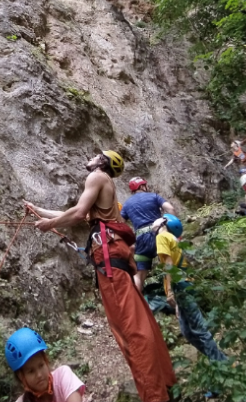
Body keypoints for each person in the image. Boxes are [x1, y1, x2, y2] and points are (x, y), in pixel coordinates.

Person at [26, 151, 176, 402]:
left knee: (131, 332)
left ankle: (155, 397)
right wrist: (39, 212)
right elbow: (77, 213)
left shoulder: (97, 176)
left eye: (97, 156)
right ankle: (164, 383)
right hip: (116, 261)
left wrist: (48, 226)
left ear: (103, 163)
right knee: (139, 323)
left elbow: (76, 213)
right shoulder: (103, 195)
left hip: (110, 263)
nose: (92, 158)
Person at [155, 214, 227, 362]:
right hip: (184, 285)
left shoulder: (162, 237)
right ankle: (218, 359)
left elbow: (168, 263)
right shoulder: (173, 239)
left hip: (180, 285)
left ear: (164, 223)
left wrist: (169, 291)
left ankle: (221, 365)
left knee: (199, 330)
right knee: (187, 332)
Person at [121, 178, 177, 292]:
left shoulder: (126, 204)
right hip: (159, 233)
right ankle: (172, 293)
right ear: (142, 187)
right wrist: (173, 230)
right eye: (145, 185)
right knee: (168, 262)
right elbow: (170, 208)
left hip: (141, 240)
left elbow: (120, 223)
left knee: (139, 275)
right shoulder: (154, 196)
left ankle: (138, 304)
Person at [5, 327, 85, 402]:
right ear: (21, 376)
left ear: (46, 361)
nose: (39, 375)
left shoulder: (62, 376)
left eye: (41, 365)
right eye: (31, 371)